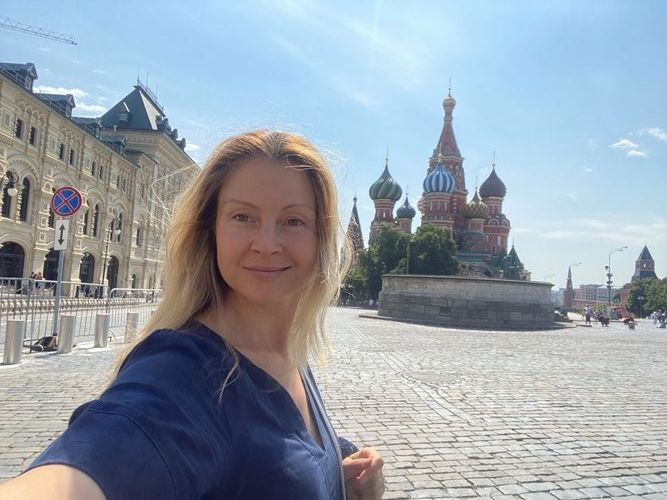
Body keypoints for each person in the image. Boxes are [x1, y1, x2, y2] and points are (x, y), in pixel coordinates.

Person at [0, 130, 385, 499]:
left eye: (293, 220)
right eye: (243, 217)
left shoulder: (286, 353)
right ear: (210, 231)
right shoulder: (183, 373)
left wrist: (337, 475)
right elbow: (99, 459)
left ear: (320, 239)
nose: (267, 244)